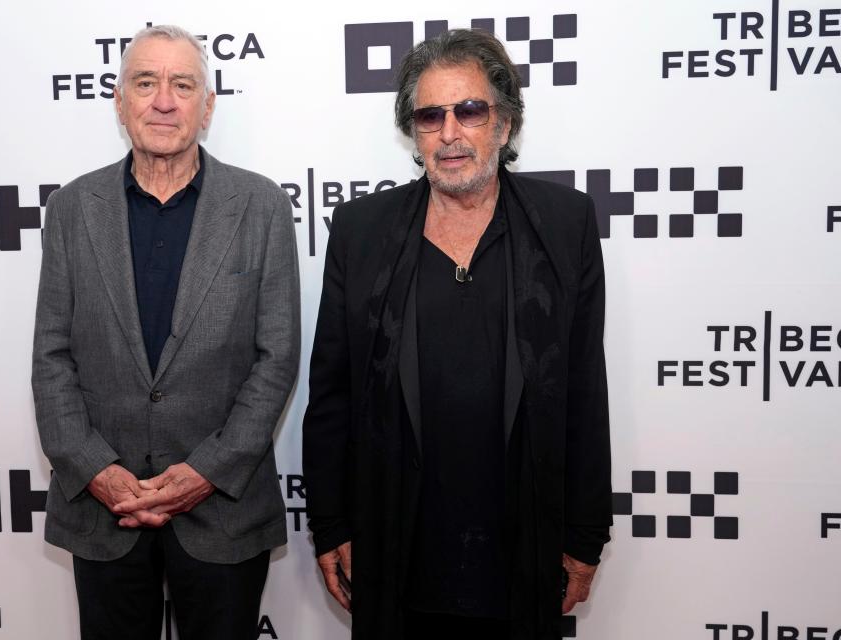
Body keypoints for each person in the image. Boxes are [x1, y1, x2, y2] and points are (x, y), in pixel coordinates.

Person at [302, 29, 611, 639]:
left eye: (469, 110)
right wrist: (331, 522)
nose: (449, 133)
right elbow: (331, 392)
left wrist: (583, 534)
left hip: (521, 542)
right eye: (429, 115)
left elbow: (584, 389)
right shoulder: (362, 230)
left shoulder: (564, 222)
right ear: (412, 133)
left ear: (505, 123)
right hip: (396, 540)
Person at [31, 24, 299, 640]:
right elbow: (51, 357)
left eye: (183, 84)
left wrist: (206, 470)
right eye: (145, 82)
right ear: (120, 100)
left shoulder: (261, 207)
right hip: (105, 511)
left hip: (222, 510)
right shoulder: (72, 209)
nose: (164, 100)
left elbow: (277, 357)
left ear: (207, 107)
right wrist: (95, 469)